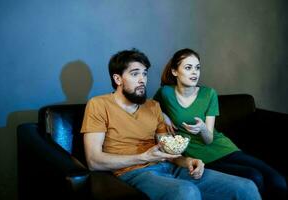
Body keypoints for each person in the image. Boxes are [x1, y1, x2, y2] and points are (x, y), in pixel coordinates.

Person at [81, 48, 261, 200]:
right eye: (135, 74)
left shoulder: (153, 106)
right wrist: (143, 157)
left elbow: (169, 152)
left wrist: (189, 161)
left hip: (170, 167)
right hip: (133, 172)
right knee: (187, 192)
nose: (142, 79)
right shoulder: (99, 104)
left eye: (144, 73)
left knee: (245, 187)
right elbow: (93, 161)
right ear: (118, 79)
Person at [154, 48, 287, 200]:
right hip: (200, 158)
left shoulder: (209, 94)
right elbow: (150, 107)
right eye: (188, 67)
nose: (194, 72)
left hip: (223, 147)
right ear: (175, 71)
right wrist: (164, 116)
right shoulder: (165, 93)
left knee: (277, 179)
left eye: (197, 67)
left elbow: (209, 139)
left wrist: (203, 128)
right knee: (254, 176)